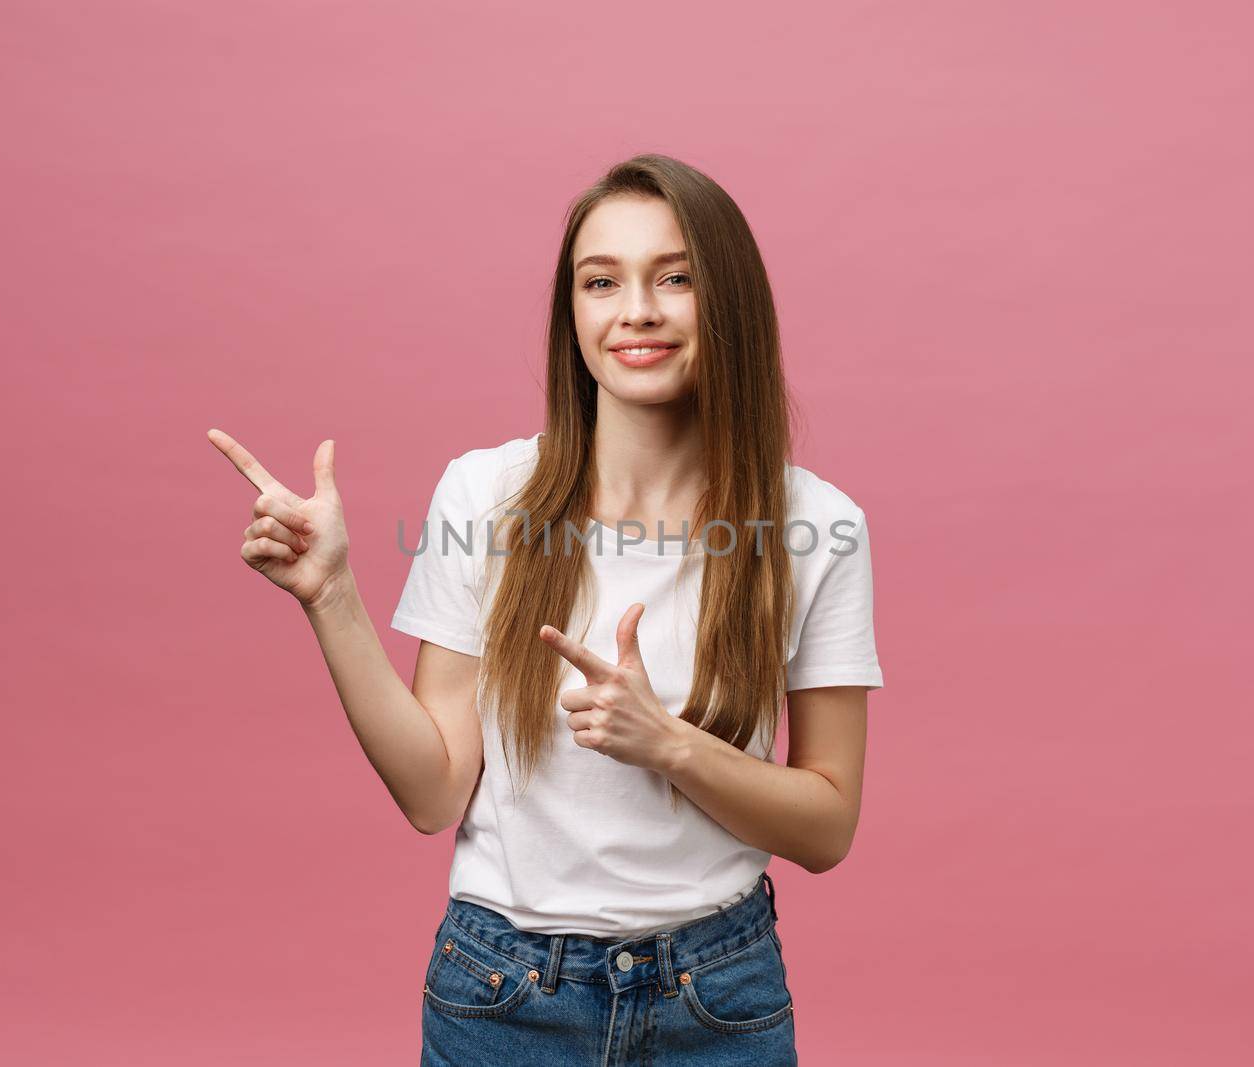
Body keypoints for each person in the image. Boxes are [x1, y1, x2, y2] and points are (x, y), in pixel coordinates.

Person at [207, 153, 883, 1065]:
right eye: (601, 281)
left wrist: (669, 744)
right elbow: (432, 789)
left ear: (730, 302)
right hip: (504, 996)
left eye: (674, 278)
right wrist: (332, 598)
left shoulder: (818, 526)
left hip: (718, 997)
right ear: (574, 314)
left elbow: (828, 826)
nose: (635, 309)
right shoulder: (487, 495)